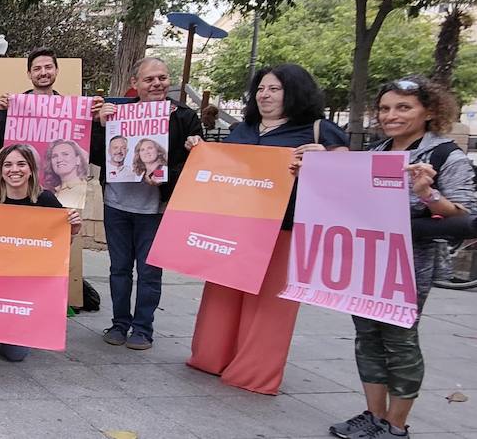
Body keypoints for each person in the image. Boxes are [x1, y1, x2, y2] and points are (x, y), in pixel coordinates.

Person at [184, 64, 348, 395]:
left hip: (285, 229)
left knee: (269, 306)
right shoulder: (242, 130)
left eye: (274, 88)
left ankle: (253, 372)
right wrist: (201, 153)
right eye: (261, 88)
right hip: (236, 227)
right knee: (222, 296)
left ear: (295, 92)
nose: (265, 94)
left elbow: (348, 179)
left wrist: (326, 162)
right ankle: (210, 358)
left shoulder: (319, 131)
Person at [328, 76, 475, 439]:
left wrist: (427, 194)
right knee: (367, 336)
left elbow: (465, 216)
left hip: (410, 263)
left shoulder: (444, 155)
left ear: (428, 111)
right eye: (385, 108)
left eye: (403, 107)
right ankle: (373, 415)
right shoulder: (377, 152)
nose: (391, 115)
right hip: (366, 258)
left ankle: (395, 426)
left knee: (399, 339)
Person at [89, 57, 201, 350]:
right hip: (117, 204)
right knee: (119, 269)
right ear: (134, 84)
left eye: (162, 78)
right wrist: (100, 126)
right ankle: (119, 323)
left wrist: (166, 177)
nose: (157, 84)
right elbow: (95, 156)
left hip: (156, 209)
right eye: (149, 79)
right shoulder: (117, 114)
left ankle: (143, 328)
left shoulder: (185, 117)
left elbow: (195, 166)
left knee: (150, 271)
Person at [0, 144, 82, 360]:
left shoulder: (46, 200)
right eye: (8, 165)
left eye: (21, 164)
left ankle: (11, 331)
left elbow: (58, 249)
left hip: (26, 284)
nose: (14, 170)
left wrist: (73, 229)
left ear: (31, 169)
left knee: (16, 355)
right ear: (1, 171)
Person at [0, 46, 103, 136]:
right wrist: (1, 112)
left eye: (48, 67)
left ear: (56, 70)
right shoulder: (13, 107)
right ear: (29, 74)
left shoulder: (72, 111)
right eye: (37, 69)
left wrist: (97, 122)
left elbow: (95, 155)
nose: (43, 72)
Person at [43, 139, 91, 208]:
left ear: (78, 160)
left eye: (65, 154)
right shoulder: (51, 192)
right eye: (54, 156)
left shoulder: (86, 191)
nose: (59, 160)